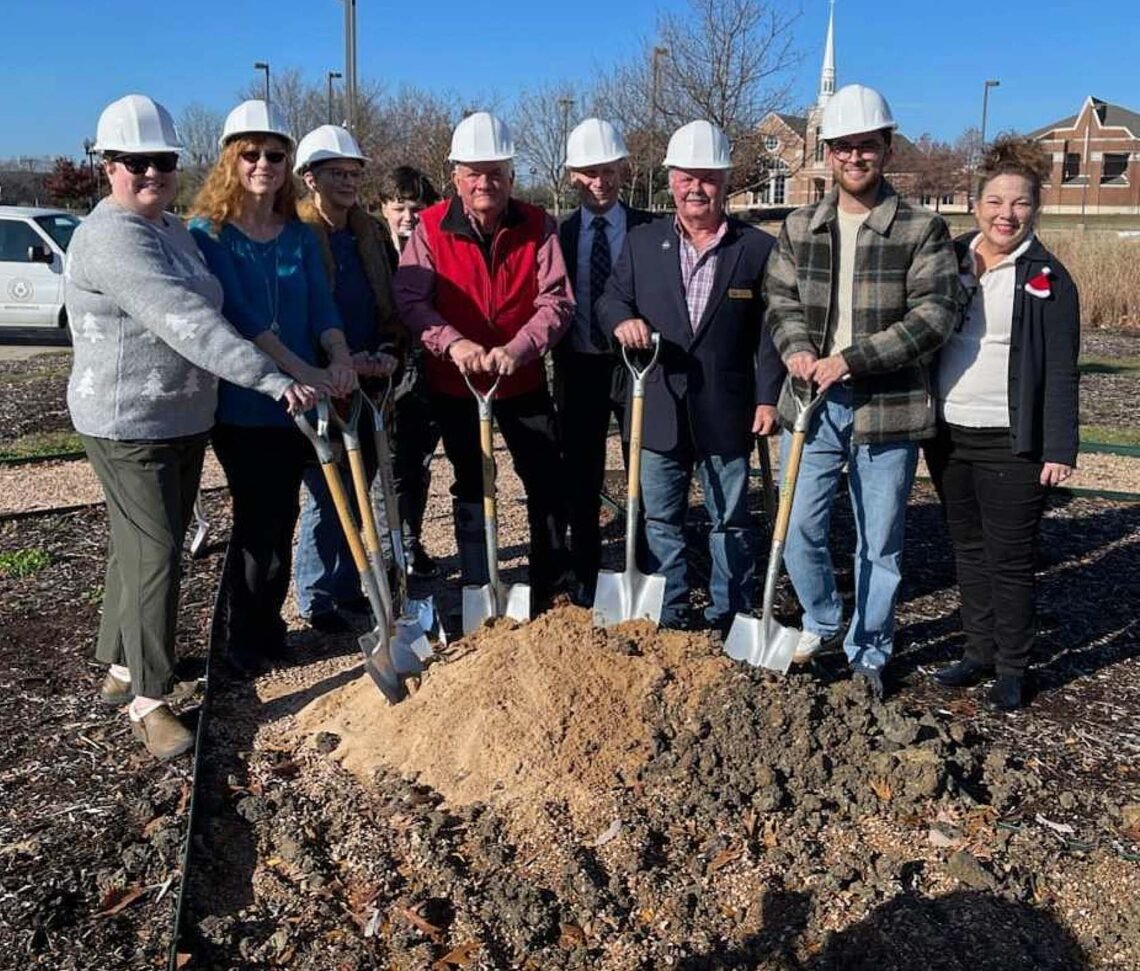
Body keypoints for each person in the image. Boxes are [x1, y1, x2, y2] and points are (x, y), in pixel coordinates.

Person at [67, 94, 318, 760]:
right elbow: (187, 320)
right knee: (156, 552)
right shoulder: (111, 236)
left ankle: (119, 666)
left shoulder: (172, 231)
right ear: (107, 165)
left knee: (147, 542)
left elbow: (218, 306)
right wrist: (270, 377)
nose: (152, 174)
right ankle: (151, 701)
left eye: (164, 162)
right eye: (136, 163)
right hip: (126, 422)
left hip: (181, 417)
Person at [763, 84, 960, 699]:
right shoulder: (800, 227)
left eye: (867, 146)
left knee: (880, 543)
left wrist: (850, 359)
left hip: (888, 408)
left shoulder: (921, 229)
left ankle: (869, 647)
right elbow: (780, 299)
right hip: (810, 408)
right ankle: (822, 621)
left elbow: (934, 317)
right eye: (843, 147)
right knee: (797, 529)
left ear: (886, 148)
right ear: (827, 153)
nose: (855, 157)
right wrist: (796, 348)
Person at [188, 100, 357, 674]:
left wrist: (337, 355)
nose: (265, 164)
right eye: (252, 154)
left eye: (276, 155)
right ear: (231, 160)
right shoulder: (208, 235)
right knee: (257, 516)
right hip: (245, 402)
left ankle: (268, 627)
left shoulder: (299, 236)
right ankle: (244, 634)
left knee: (281, 513)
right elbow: (239, 315)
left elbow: (321, 303)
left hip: (301, 403)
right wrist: (300, 370)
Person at [597, 120, 784, 633]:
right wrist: (622, 321)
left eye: (707, 177)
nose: (695, 188)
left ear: (724, 181)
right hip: (658, 405)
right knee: (661, 519)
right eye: (685, 178)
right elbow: (610, 299)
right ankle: (669, 609)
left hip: (727, 408)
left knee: (731, 520)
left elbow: (771, 334)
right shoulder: (642, 243)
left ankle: (732, 611)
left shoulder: (756, 250)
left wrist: (768, 399)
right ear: (671, 181)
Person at [393, 112, 574, 611]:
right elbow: (411, 301)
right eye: (473, 172)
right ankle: (479, 583)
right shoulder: (429, 228)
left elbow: (556, 301)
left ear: (511, 175)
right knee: (472, 480)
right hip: (456, 384)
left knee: (544, 477)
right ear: (455, 176)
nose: (484, 182)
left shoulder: (538, 225)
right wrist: (452, 344)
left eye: (494, 172)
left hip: (522, 379)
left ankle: (552, 587)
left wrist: (521, 347)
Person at [927, 136, 1080, 712]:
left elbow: (1063, 369)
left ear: (1034, 209)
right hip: (947, 432)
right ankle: (978, 650)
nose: (1005, 215)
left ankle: (1014, 666)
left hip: (1009, 440)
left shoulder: (1049, 278)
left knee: (1010, 557)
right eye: (995, 202)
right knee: (966, 547)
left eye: (1018, 204)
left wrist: (1058, 446)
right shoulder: (949, 258)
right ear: (976, 205)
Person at [291, 125, 401, 632]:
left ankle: (347, 583)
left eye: (354, 172)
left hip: (370, 375)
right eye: (337, 172)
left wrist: (384, 351)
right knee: (325, 486)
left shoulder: (370, 232)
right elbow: (299, 311)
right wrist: (334, 363)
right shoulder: (297, 233)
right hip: (322, 376)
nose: (348, 181)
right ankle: (315, 596)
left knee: (361, 485)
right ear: (309, 178)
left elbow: (390, 297)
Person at [554, 118, 656, 607]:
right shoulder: (560, 234)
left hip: (636, 365)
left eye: (609, 170)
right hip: (578, 364)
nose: (600, 181)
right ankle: (586, 571)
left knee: (644, 465)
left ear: (623, 169)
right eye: (590, 172)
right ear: (574, 175)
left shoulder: (651, 230)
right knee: (581, 473)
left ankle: (646, 567)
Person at [377, 166, 444, 580]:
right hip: (385, 370)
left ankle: (410, 541)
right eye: (399, 207)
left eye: (416, 208)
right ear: (383, 208)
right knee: (389, 468)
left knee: (417, 463)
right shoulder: (374, 252)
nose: (408, 217)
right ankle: (389, 551)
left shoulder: (434, 248)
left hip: (428, 370)